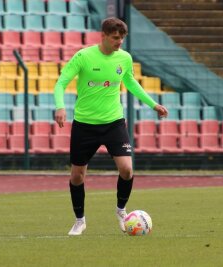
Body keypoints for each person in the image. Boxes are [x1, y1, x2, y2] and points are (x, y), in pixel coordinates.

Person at [53, 17, 168, 236]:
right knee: (77, 175)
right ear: (103, 35)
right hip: (85, 125)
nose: (119, 42)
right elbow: (61, 82)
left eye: (122, 38)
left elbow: (131, 82)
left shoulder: (124, 58)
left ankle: (121, 210)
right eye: (115, 38)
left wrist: (153, 104)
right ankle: (80, 221)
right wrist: (60, 107)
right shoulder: (84, 56)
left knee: (126, 169)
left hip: (114, 122)